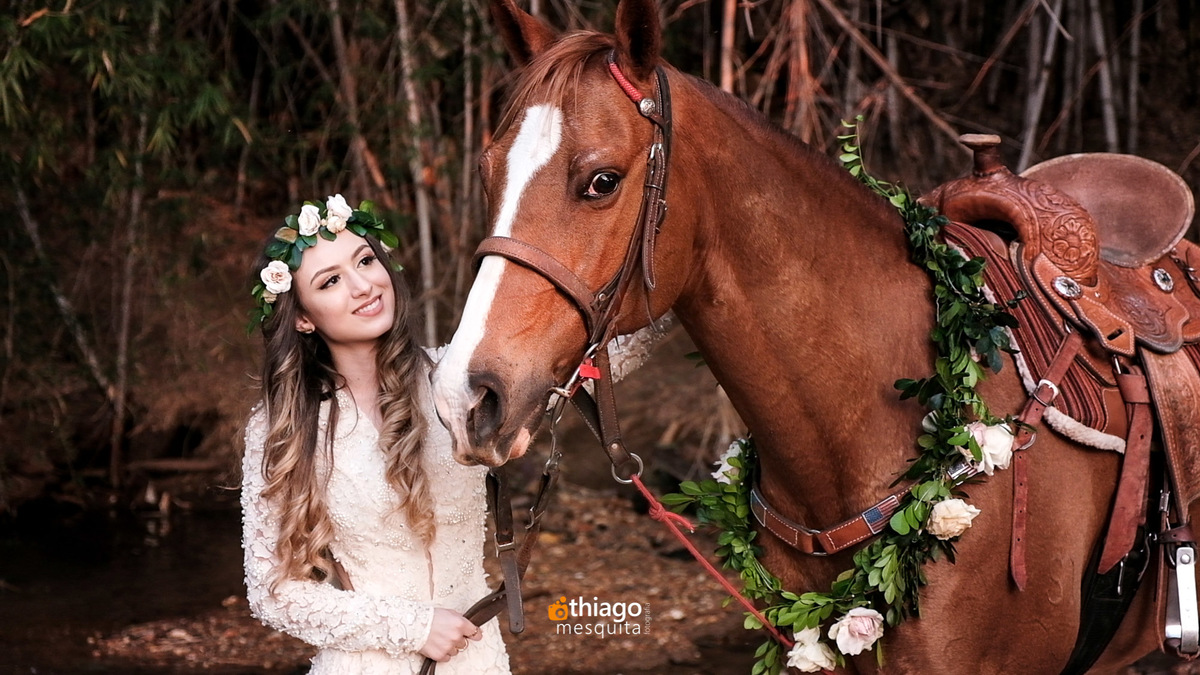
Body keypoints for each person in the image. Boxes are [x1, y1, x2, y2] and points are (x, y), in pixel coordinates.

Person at [240, 195, 510, 674]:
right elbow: (274, 592)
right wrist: (415, 626)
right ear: (303, 317)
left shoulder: (457, 379)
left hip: (479, 660)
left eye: (365, 260)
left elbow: (594, 360)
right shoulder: (284, 424)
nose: (363, 285)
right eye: (331, 281)